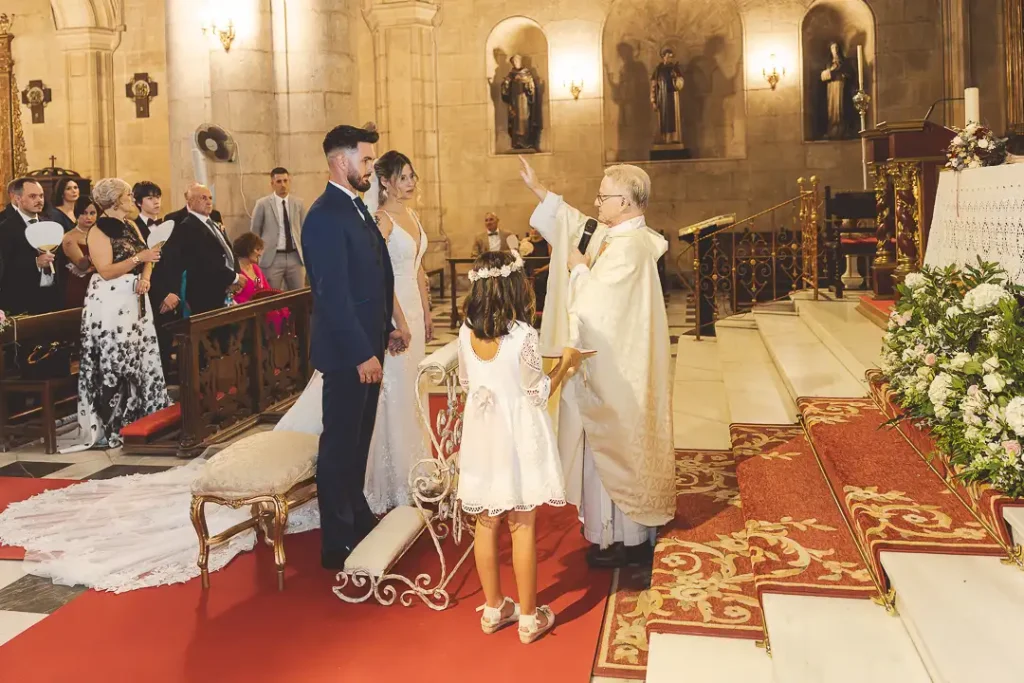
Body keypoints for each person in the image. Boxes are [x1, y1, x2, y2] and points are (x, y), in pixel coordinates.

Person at [519, 156, 675, 568]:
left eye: (603, 196)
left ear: (624, 202)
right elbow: (576, 224)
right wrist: (541, 192)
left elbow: (594, 309)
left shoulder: (630, 249)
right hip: (612, 366)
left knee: (615, 448)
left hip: (620, 374)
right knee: (606, 448)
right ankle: (609, 535)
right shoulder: (618, 235)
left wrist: (578, 271)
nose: (596, 202)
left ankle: (629, 539)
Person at [456, 250, 582, 643]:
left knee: (487, 520)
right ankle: (529, 617)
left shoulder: (465, 332)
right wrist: (565, 365)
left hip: (482, 433)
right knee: (522, 521)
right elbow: (537, 392)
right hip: (516, 434)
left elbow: (465, 384)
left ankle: (494, 608)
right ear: (515, 286)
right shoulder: (524, 335)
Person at [302, 124, 402, 569]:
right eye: (365, 160)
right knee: (340, 443)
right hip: (348, 353)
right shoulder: (324, 214)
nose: (371, 168)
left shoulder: (355, 209)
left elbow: (374, 274)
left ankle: (356, 513)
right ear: (341, 161)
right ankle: (336, 538)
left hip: (369, 343)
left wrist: (388, 327)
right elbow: (333, 294)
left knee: (359, 438)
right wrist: (363, 351)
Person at [68, 178, 169, 451]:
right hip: (110, 299)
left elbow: (148, 257)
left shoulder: (131, 225)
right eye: (126, 194)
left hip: (136, 294)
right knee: (116, 358)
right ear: (114, 201)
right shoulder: (99, 231)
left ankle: (142, 413)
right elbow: (106, 270)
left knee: (139, 354)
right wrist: (139, 260)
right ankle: (115, 422)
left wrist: (146, 276)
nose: (131, 198)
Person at [362, 150, 434, 515]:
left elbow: (418, 268)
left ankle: (417, 469)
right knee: (395, 391)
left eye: (412, 176)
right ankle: (392, 482)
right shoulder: (381, 219)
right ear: (385, 181)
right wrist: (401, 322)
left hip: (413, 309)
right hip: (393, 311)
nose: (411, 184)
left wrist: (426, 309)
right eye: (403, 177)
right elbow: (378, 276)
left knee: (414, 389)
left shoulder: (412, 215)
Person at [151, 184, 240, 318]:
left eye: (210, 198)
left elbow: (225, 248)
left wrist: (235, 274)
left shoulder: (214, 218)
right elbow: (202, 258)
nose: (209, 201)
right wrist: (234, 278)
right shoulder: (185, 225)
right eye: (203, 198)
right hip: (204, 287)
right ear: (190, 201)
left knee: (227, 331)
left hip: (223, 284)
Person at [0, 178, 64, 315]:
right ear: (18, 198)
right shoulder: (6, 228)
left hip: (51, 297)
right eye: (32, 196)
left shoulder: (50, 225)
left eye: (41, 196)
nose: (39, 200)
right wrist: (35, 262)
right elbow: (5, 267)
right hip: (22, 300)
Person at [251, 167, 306, 291]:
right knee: (271, 297)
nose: (283, 185)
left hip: (295, 257)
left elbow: (304, 230)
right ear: (272, 184)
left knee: (299, 296)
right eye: (279, 182)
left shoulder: (298, 203)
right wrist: (256, 255)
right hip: (272, 258)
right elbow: (255, 232)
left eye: (286, 181)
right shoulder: (262, 204)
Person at [232, 232, 290, 336]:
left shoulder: (256, 268)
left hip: (262, 308)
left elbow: (267, 291)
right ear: (247, 248)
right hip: (248, 312)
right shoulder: (235, 272)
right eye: (257, 249)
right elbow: (233, 298)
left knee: (284, 311)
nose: (260, 253)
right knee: (272, 316)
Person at [61, 197, 99, 309]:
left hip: (101, 283)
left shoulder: (101, 234)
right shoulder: (70, 237)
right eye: (84, 213)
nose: (88, 217)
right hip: (80, 284)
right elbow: (82, 265)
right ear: (77, 214)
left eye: (92, 213)